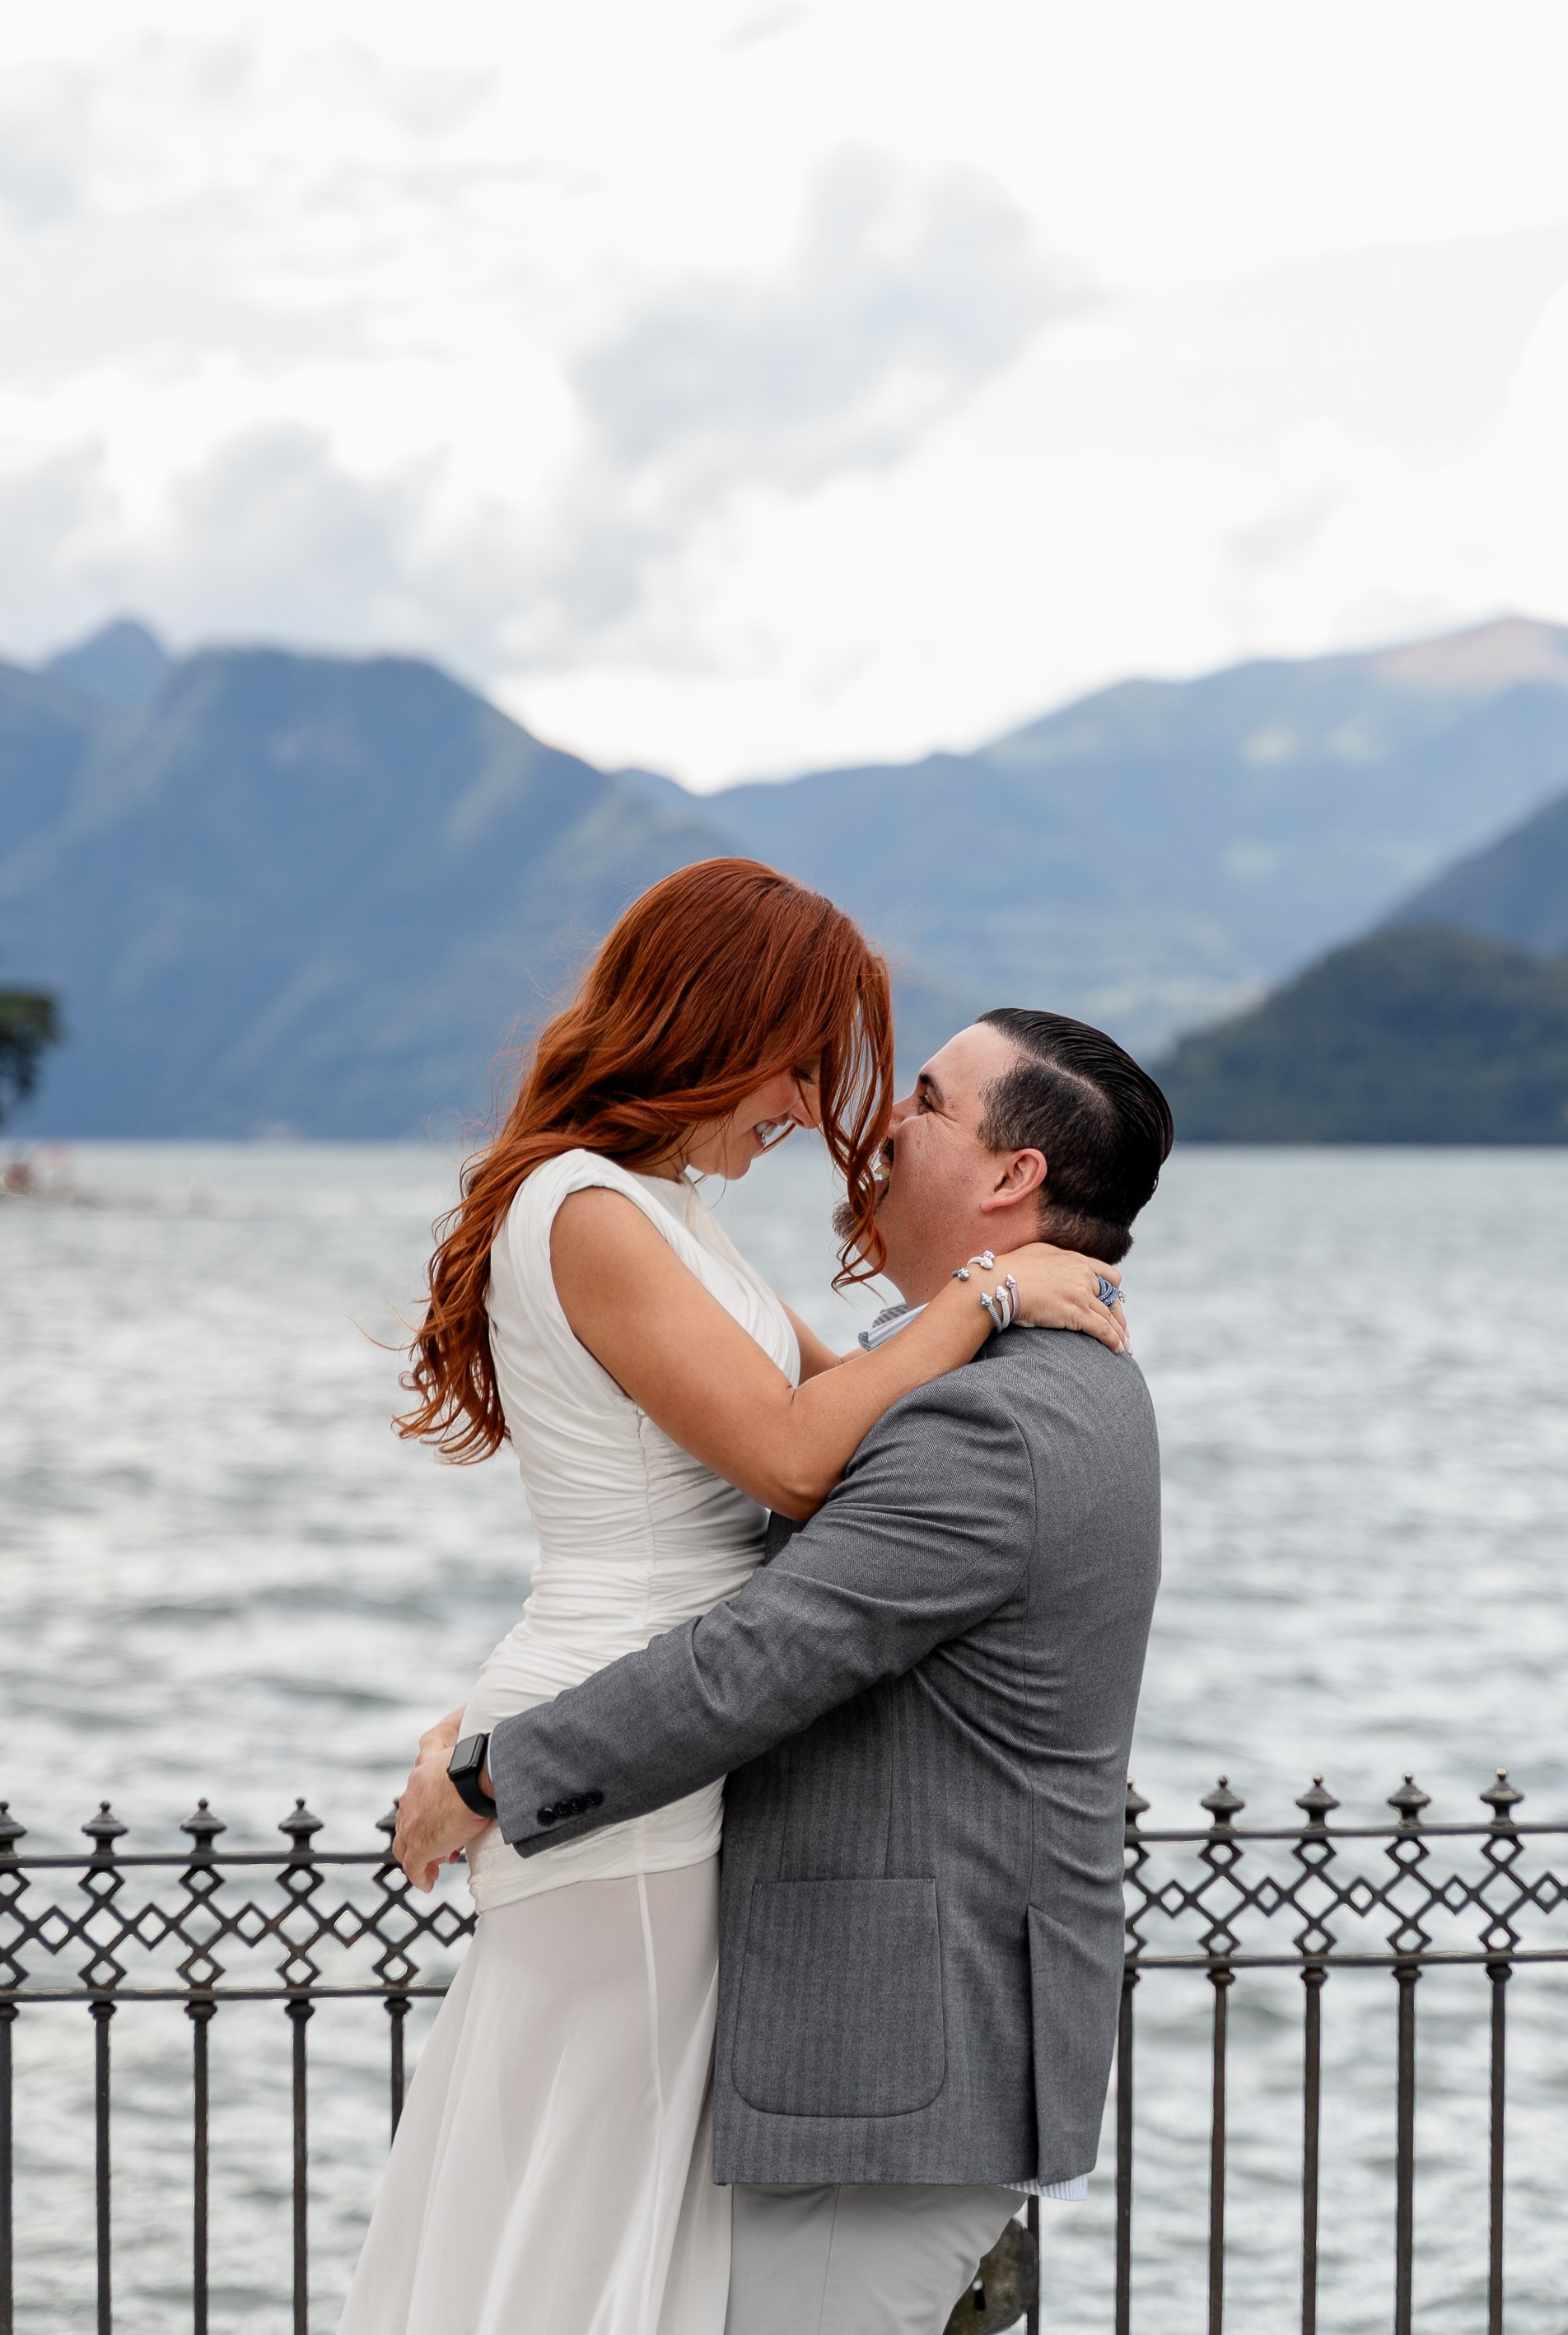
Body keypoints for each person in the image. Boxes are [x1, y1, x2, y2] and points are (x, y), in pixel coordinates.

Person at [340, 860, 1129, 2335]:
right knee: (585, 2219)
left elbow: (851, 1413)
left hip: (649, 1741)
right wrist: (987, 1295)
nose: (819, 1109)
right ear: (711, 1023)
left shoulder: (670, 1208)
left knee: (617, 2215)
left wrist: (997, 1306)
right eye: (801, 1063)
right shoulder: (586, 1207)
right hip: (623, 1760)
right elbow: (789, 1457)